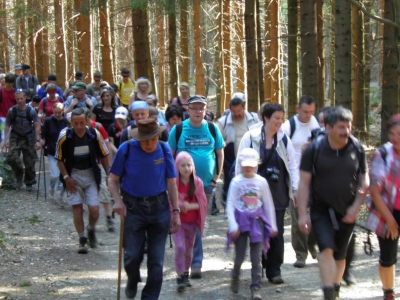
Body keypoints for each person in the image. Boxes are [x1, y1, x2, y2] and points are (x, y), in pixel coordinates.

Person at [297, 106, 369, 300]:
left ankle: (335, 289)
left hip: (347, 210)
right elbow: (304, 183)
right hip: (321, 208)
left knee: (340, 255)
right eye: (340, 127)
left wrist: (355, 207)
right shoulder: (314, 149)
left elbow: (364, 180)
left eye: (348, 126)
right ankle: (328, 292)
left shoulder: (357, 147)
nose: (345, 131)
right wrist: (303, 214)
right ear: (328, 127)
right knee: (326, 249)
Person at [108, 118, 181, 299]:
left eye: (153, 139)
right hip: (133, 208)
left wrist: (176, 212)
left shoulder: (164, 149)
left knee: (156, 262)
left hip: (159, 208)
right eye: (145, 140)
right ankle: (133, 279)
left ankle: (149, 296)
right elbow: (112, 179)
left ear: (158, 136)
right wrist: (117, 200)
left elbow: (171, 183)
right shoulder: (126, 149)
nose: (149, 144)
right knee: (132, 256)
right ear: (138, 137)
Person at [236, 103, 298, 285]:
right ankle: (260, 266)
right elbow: (241, 164)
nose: (280, 122)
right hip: (254, 195)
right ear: (266, 118)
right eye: (276, 118)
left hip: (277, 194)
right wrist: (240, 193)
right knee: (257, 233)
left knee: (275, 232)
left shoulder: (284, 140)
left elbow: (292, 166)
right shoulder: (251, 138)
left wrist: (295, 190)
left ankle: (274, 269)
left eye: (282, 118)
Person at [168, 95, 225, 279]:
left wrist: (216, 177)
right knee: (182, 221)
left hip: (205, 185)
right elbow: (170, 156)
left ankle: (196, 262)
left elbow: (220, 153)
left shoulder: (212, 128)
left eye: (201, 108)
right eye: (194, 108)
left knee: (197, 221)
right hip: (182, 185)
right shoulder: (178, 130)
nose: (198, 111)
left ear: (205, 111)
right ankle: (184, 260)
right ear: (188, 110)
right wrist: (170, 182)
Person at [55, 107, 110, 254]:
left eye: (81, 123)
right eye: (75, 123)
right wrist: (66, 178)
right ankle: (82, 239)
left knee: (94, 209)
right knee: (77, 209)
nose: (79, 127)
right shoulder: (65, 136)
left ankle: (91, 229)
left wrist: (109, 174)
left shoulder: (93, 134)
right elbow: (59, 160)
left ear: (86, 121)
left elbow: (104, 155)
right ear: (71, 123)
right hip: (73, 175)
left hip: (91, 174)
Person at [227, 148, 277, 300]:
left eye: (251, 164)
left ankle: (255, 287)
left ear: (256, 164)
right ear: (240, 164)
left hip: (257, 222)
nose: (248, 167)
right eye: (245, 164)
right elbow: (230, 203)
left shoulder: (261, 182)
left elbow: (268, 204)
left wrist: (272, 225)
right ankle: (235, 275)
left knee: (256, 257)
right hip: (241, 222)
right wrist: (233, 225)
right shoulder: (236, 181)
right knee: (240, 256)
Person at [281, 95, 320, 268]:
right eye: (305, 111)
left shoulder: (316, 123)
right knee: (298, 218)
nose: (308, 115)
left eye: (311, 112)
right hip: (296, 179)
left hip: (316, 179)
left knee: (318, 216)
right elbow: (281, 151)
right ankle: (300, 254)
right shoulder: (289, 126)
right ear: (298, 109)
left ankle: (314, 246)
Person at [368, 114, 400, 300]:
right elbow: (375, 191)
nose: (395, 138)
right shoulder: (383, 154)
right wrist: (390, 220)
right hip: (387, 211)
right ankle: (388, 292)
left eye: (399, 134)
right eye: (392, 134)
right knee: (388, 255)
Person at [216, 93, 260, 209]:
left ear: (244, 108)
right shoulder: (223, 122)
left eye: (239, 111)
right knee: (230, 183)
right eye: (234, 112)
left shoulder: (254, 119)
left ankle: (249, 206)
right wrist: (223, 145)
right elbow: (217, 140)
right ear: (230, 110)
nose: (237, 114)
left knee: (250, 183)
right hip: (231, 158)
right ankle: (230, 206)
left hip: (250, 158)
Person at [173, 151, 207, 292]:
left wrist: (190, 206)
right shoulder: (173, 183)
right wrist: (178, 208)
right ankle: (180, 276)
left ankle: (186, 273)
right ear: (177, 167)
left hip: (192, 222)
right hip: (178, 223)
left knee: (189, 250)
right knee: (180, 247)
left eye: (189, 165)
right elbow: (169, 201)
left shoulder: (197, 182)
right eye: (183, 165)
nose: (186, 168)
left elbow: (203, 202)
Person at [4, 90, 42, 191]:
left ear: (25, 98)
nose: (20, 101)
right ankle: (18, 175)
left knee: (29, 162)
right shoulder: (12, 111)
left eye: (21, 98)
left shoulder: (31, 111)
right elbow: (7, 125)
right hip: (15, 137)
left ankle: (29, 182)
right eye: (17, 99)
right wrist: (6, 139)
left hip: (28, 137)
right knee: (11, 158)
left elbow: (37, 125)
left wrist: (37, 140)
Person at [40, 103, 68, 205]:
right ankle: (52, 188)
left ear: (62, 112)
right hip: (52, 151)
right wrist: (42, 142)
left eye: (59, 112)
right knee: (55, 175)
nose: (57, 114)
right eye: (55, 112)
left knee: (62, 175)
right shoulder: (48, 121)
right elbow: (44, 135)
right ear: (52, 111)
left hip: (63, 153)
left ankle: (59, 194)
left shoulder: (65, 121)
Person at [0, 73, 16, 143]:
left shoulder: (15, 91)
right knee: (4, 135)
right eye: (8, 83)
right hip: (2, 117)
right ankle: (4, 152)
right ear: (5, 82)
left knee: (13, 135)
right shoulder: (1, 91)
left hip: (13, 117)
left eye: (11, 83)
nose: (10, 85)